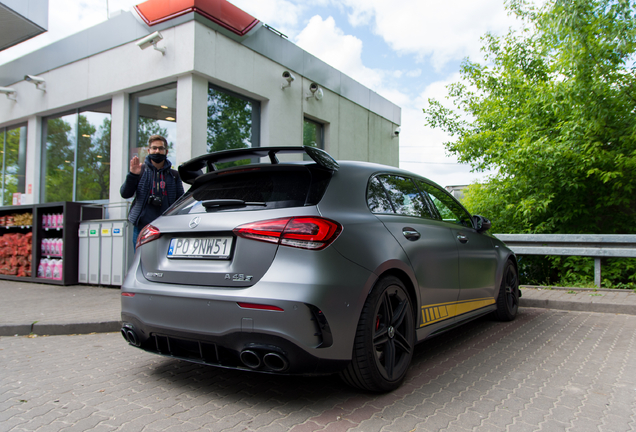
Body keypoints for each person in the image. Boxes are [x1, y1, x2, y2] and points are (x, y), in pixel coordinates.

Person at [120, 135, 184, 248]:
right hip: (142, 228)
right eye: (154, 148)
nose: (157, 151)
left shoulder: (174, 175)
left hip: (167, 228)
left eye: (160, 148)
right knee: (142, 261)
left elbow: (180, 201)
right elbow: (125, 194)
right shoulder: (140, 171)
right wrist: (132, 175)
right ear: (149, 150)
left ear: (166, 151)